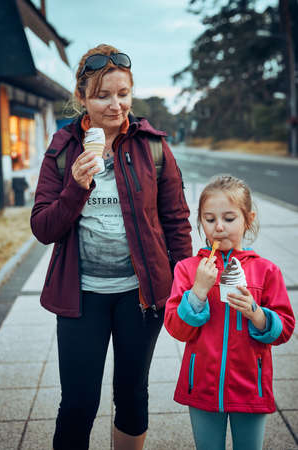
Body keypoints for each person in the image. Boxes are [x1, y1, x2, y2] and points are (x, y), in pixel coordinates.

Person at [30, 43, 192, 450]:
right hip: (81, 296)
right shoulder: (63, 149)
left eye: (123, 94)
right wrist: (75, 188)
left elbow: (176, 221)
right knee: (79, 403)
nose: (116, 105)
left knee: (132, 395)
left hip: (141, 298)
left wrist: (185, 284)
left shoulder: (153, 147)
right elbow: (42, 228)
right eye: (103, 95)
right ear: (82, 97)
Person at [164, 174, 295, 450]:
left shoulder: (266, 270)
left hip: (250, 386)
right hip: (200, 386)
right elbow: (176, 328)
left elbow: (284, 327)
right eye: (210, 220)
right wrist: (198, 292)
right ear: (201, 221)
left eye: (229, 218)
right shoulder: (188, 269)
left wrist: (257, 315)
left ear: (248, 219)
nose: (219, 227)